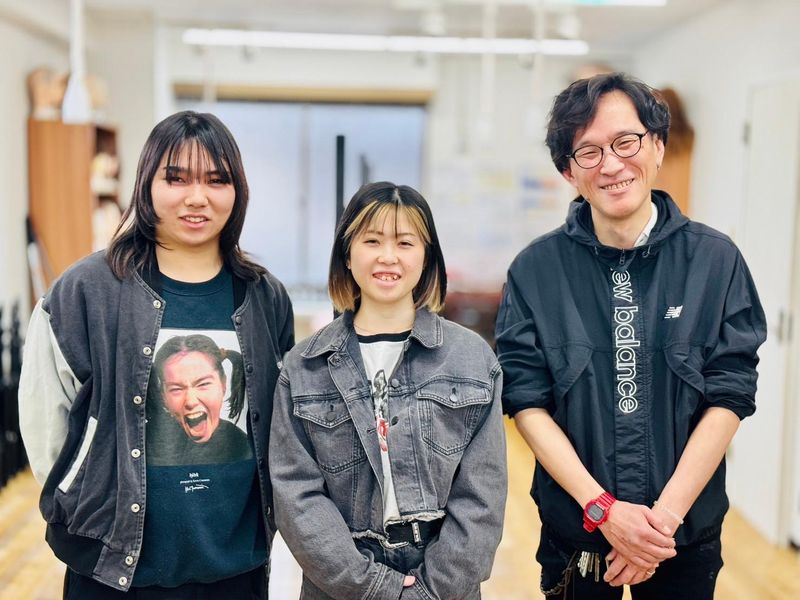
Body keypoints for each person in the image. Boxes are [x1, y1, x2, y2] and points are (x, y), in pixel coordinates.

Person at [495, 72, 766, 599]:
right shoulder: (534, 271)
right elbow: (527, 402)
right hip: (576, 536)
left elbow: (730, 394)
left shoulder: (716, 262)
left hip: (681, 538)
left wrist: (658, 525)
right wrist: (604, 511)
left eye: (626, 141)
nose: (612, 164)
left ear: (658, 146)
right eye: (589, 151)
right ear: (568, 171)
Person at [19, 111, 294, 598]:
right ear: (147, 183)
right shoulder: (85, 291)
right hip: (112, 570)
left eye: (216, 180)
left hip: (236, 567)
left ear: (237, 191)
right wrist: (85, 495)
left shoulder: (264, 296)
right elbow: (46, 424)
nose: (197, 197)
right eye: (176, 178)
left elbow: (279, 424)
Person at [270, 182, 506, 599]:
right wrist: (374, 586)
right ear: (347, 254)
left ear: (426, 257)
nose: (388, 256)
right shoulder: (303, 366)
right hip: (341, 582)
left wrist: (429, 591)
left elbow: (482, 496)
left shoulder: (472, 359)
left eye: (405, 242)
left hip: (445, 583)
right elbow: (297, 496)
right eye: (372, 240)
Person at [147, 333, 251, 465]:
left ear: (223, 384)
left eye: (203, 384)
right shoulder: (143, 442)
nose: (191, 401)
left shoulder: (242, 448)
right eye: (176, 389)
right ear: (163, 395)